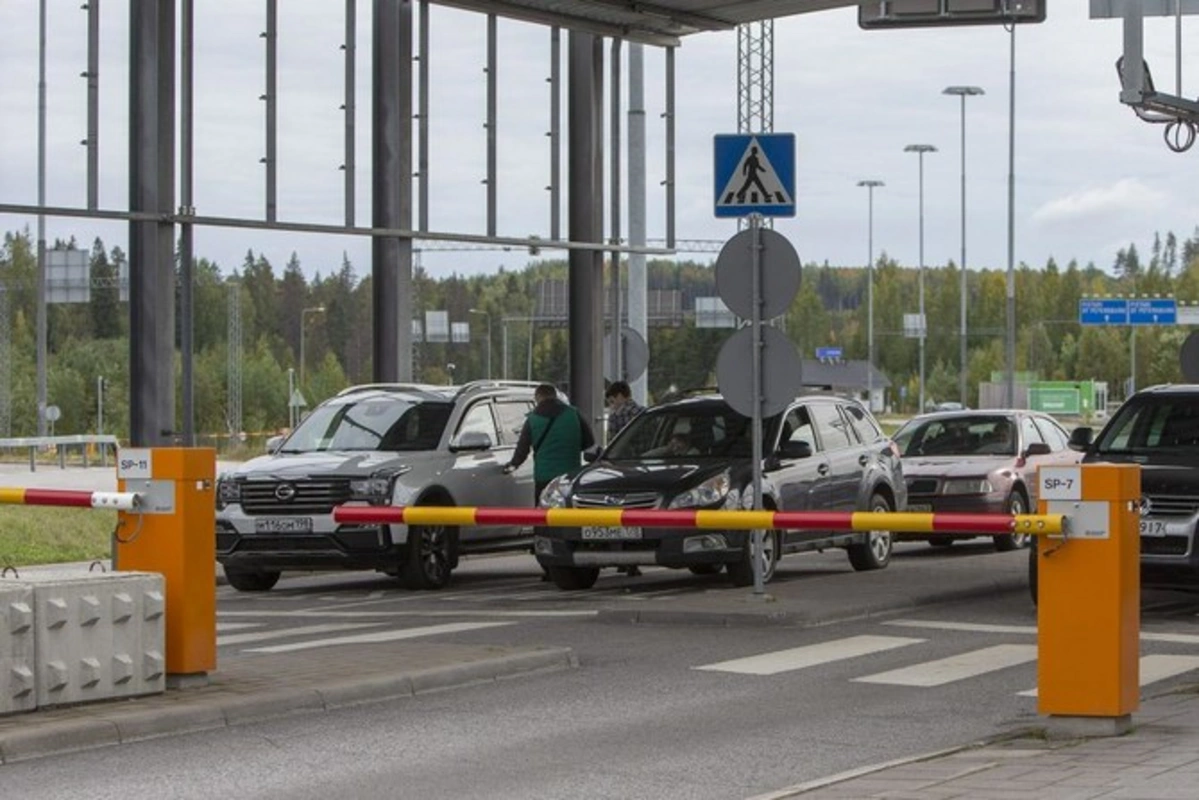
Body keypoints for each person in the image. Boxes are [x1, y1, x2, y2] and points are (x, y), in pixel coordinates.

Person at [502, 383, 595, 506]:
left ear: (538, 398)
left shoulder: (532, 419)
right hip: (569, 476)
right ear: (555, 396)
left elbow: (522, 450)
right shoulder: (574, 414)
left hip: (544, 476)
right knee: (569, 515)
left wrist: (512, 465)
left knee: (543, 515)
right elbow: (589, 442)